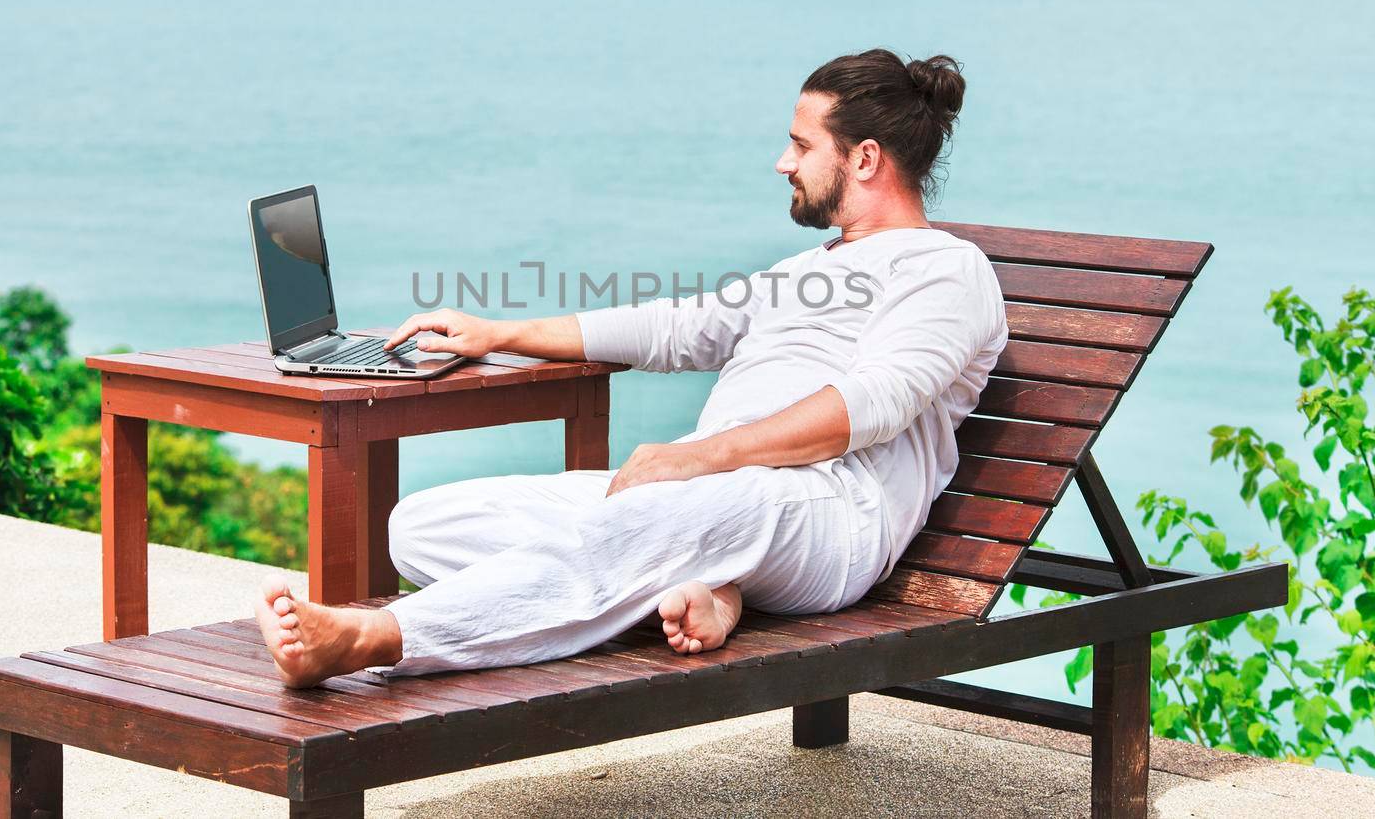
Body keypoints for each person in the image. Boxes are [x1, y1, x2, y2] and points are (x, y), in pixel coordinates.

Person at [254, 48, 1008, 687]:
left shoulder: (946, 270)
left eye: (802, 145)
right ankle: (712, 590)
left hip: (829, 515)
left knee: (653, 517)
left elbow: (870, 403)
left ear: (865, 157)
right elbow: (674, 326)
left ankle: (377, 638)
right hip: (718, 494)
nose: (784, 162)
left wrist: (696, 457)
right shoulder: (806, 269)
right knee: (421, 525)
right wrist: (497, 330)